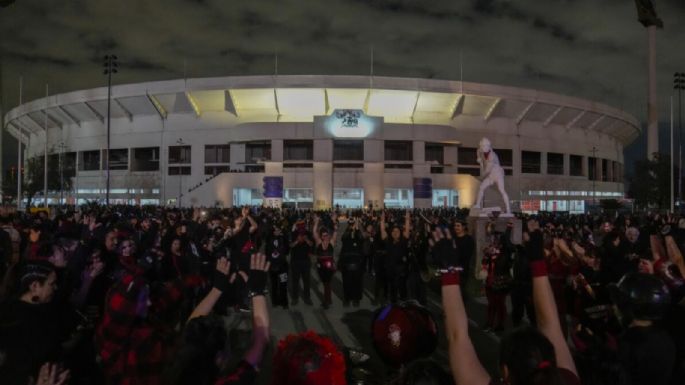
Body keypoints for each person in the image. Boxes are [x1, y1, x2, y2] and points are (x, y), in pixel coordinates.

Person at [439, 219, 580, 385]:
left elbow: (457, 337)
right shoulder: (566, 381)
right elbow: (551, 326)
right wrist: (538, 261)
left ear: (505, 371)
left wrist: (448, 268)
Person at [165, 253, 271, 385]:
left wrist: (217, 289)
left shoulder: (168, 371)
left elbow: (190, 328)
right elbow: (261, 343)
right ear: (219, 359)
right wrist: (257, 291)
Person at [0, 261, 74, 385]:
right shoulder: (13, 321)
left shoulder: (44, 309)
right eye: (52, 284)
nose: (55, 288)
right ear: (35, 286)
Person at [380, 211, 411, 303]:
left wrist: (407, 219)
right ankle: (393, 303)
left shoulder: (403, 241)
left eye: (397, 231)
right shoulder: (388, 241)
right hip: (390, 269)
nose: (395, 232)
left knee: (402, 287)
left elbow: (407, 230)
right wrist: (382, 220)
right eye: (393, 231)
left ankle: (403, 301)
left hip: (401, 269)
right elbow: (382, 231)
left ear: (401, 233)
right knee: (392, 287)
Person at [313, 213, 338, 309]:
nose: (326, 237)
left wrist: (334, 221)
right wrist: (316, 222)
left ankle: (326, 301)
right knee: (325, 284)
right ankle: (329, 299)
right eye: (324, 235)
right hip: (321, 268)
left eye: (327, 235)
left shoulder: (331, 242)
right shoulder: (319, 243)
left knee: (327, 284)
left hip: (330, 267)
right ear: (321, 236)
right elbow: (314, 232)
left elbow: (335, 231)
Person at [339, 217, 365, 307]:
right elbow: (343, 238)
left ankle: (356, 299)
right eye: (350, 224)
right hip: (347, 263)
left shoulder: (358, 235)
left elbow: (362, 239)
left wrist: (357, 229)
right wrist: (350, 229)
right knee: (347, 283)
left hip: (357, 263)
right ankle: (347, 299)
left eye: (352, 223)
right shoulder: (346, 235)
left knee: (357, 283)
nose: (351, 225)